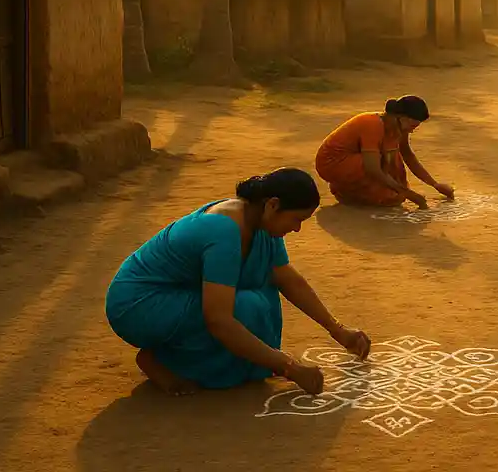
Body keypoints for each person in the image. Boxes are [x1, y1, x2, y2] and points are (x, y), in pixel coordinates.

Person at [105, 167, 371, 396]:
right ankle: (163, 361)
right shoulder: (223, 231)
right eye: (297, 219)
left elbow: (287, 279)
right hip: (138, 305)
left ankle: (196, 357)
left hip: (178, 296)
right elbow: (218, 319)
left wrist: (338, 330)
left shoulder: (259, 221)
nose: (297, 228)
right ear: (273, 205)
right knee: (245, 306)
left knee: (262, 296)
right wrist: (288, 366)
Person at [314, 94, 454, 209]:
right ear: (400, 117)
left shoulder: (399, 128)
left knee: (393, 190)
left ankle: (351, 189)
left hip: (359, 162)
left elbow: (408, 156)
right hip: (332, 163)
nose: (411, 130)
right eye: (412, 126)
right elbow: (372, 168)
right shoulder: (372, 124)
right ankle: (344, 189)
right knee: (386, 160)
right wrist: (409, 194)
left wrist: (435, 184)